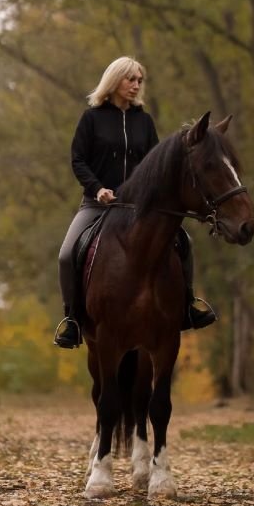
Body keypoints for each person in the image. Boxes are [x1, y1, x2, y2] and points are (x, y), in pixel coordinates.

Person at [54, 56, 216, 349]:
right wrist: (98, 188)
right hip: (98, 205)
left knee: (185, 242)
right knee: (67, 254)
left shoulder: (144, 121)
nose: (136, 85)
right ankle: (73, 320)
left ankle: (188, 306)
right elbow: (78, 159)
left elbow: (156, 164)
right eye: (131, 79)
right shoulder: (91, 118)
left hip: (140, 209)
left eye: (139, 80)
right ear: (115, 80)